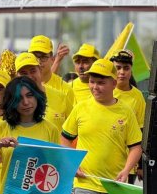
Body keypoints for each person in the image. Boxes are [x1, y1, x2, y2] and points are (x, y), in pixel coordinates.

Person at [61, 59, 142, 194]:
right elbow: (65, 138)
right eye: (92, 82)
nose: (95, 87)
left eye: (101, 83)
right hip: (85, 184)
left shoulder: (126, 112)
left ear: (114, 84)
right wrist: (72, 163)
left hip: (115, 185)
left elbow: (136, 146)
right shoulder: (81, 108)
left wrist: (126, 170)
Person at [0, 76, 59, 194]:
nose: (26, 102)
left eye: (29, 95)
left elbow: (56, 168)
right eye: (19, 98)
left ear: (37, 96)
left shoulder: (51, 129)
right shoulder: (1, 128)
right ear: (11, 102)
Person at [110, 49, 146, 183]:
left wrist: (141, 165)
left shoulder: (137, 96)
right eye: (118, 68)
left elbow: (141, 130)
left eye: (126, 68)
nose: (121, 72)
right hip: (106, 159)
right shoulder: (106, 91)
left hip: (128, 164)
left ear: (131, 70)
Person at [15, 52, 72, 133]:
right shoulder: (12, 101)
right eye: (24, 73)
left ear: (40, 70)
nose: (30, 77)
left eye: (33, 71)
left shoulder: (61, 97)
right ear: (16, 76)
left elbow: (74, 131)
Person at [28, 35, 75, 106]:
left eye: (43, 57)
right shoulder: (22, 88)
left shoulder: (65, 90)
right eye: (34, 57)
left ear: (52, 58)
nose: (38, 61)